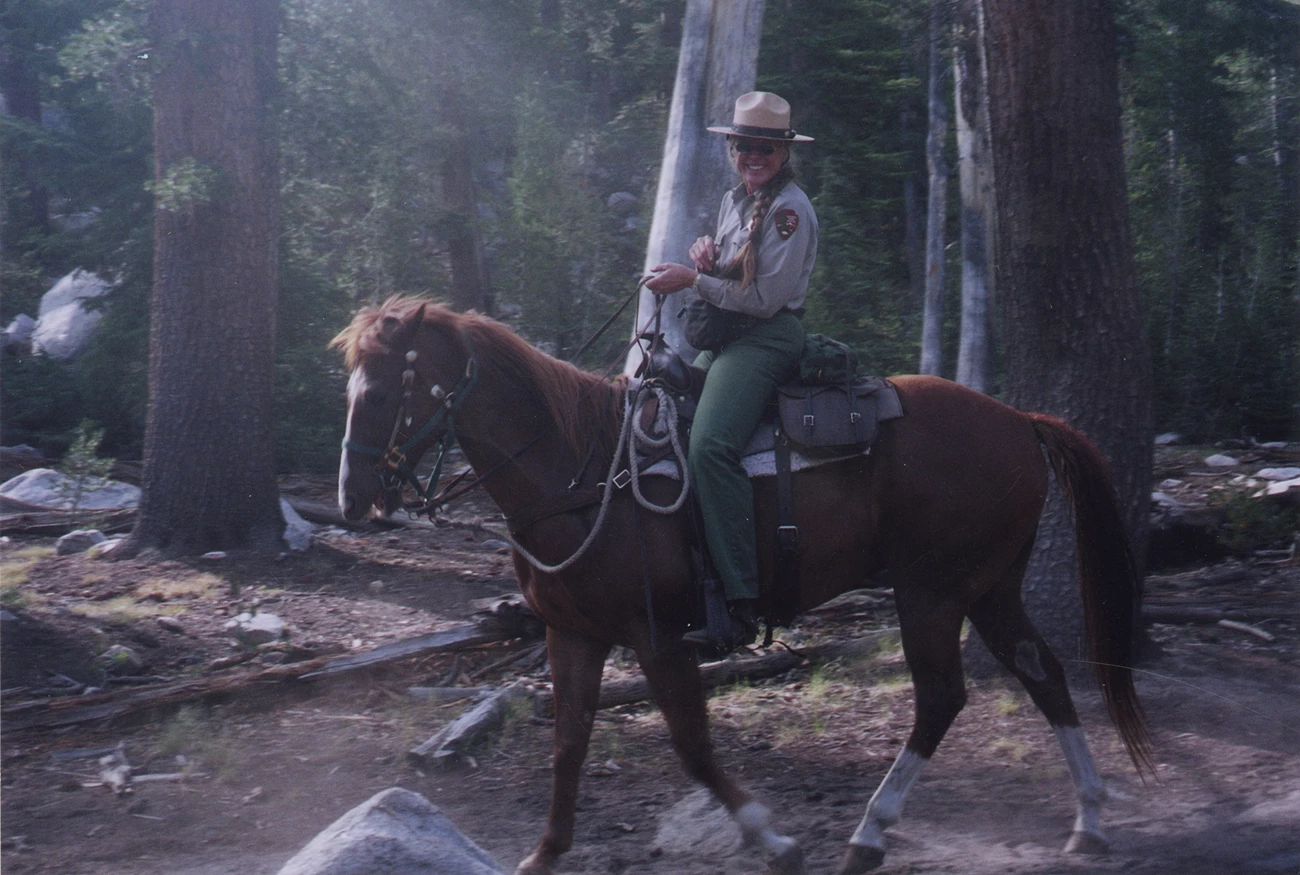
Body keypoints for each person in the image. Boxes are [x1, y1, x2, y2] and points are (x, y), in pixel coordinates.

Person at [644, 91, 818, 650]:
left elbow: (765, 299)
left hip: (766, 339)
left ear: (782, 152)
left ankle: (743, 600)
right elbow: (733, 276)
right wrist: (705, 258)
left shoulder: (790, 211)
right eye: (744, 146)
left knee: (710, 446)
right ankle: (692, 575)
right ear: (734, 149)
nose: (752, 156)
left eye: (763, 148)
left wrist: (692, 281)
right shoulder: (735, 201)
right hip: (729, 337)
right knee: (666, 420)